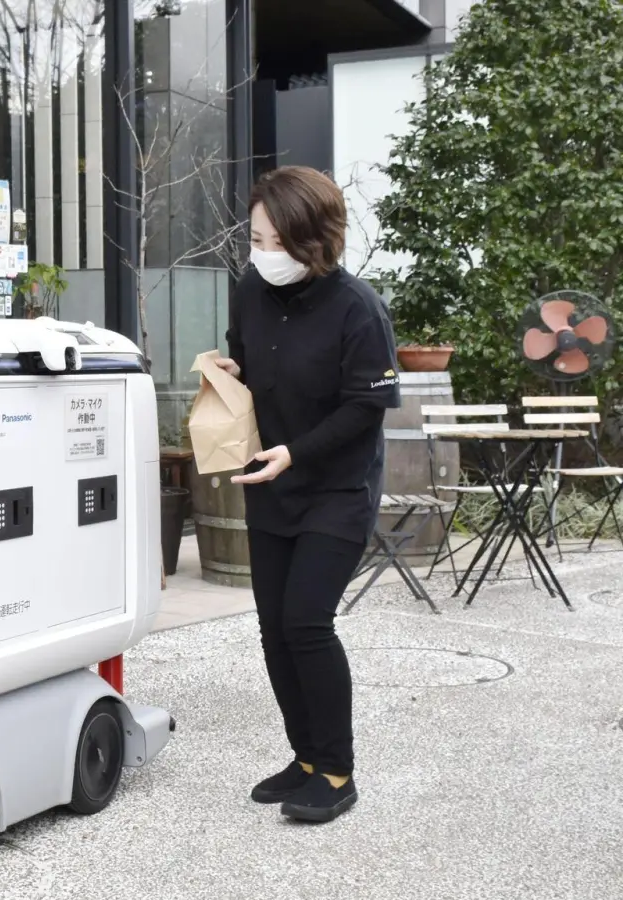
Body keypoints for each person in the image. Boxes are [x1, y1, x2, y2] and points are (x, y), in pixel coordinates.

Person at [215, 165, 400, 824]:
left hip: (336, 489)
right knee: (273, 630)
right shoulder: (250, 289)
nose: (259, 254)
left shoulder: (359, 309)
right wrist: (226, 372)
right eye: (255, 239)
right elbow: (248, 358)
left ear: (313, 241)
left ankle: (338, 771)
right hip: (271, 482)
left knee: (306, 624)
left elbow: (367, 408)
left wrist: (296, 452)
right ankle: (305, 758)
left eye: (272, 242)